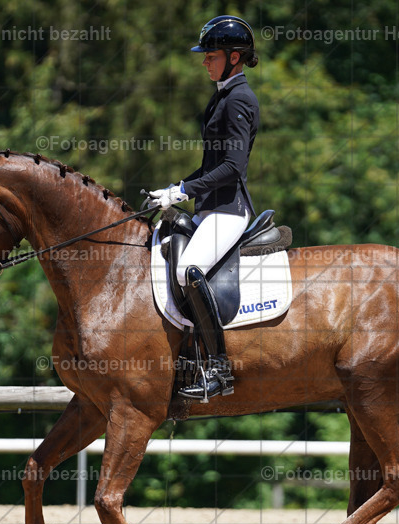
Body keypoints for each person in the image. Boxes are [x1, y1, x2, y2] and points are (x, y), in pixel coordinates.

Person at [148, 15, 260, 401]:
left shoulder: (239, 99)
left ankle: (218, 369)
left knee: (188, 269)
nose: (204, 61)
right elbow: (211, 165)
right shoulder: (222, 96)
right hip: (209, 208)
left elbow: (233, 167)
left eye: (211, 56)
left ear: (234, 57)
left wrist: (183, 191)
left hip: (229, 210)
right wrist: (174, 189)